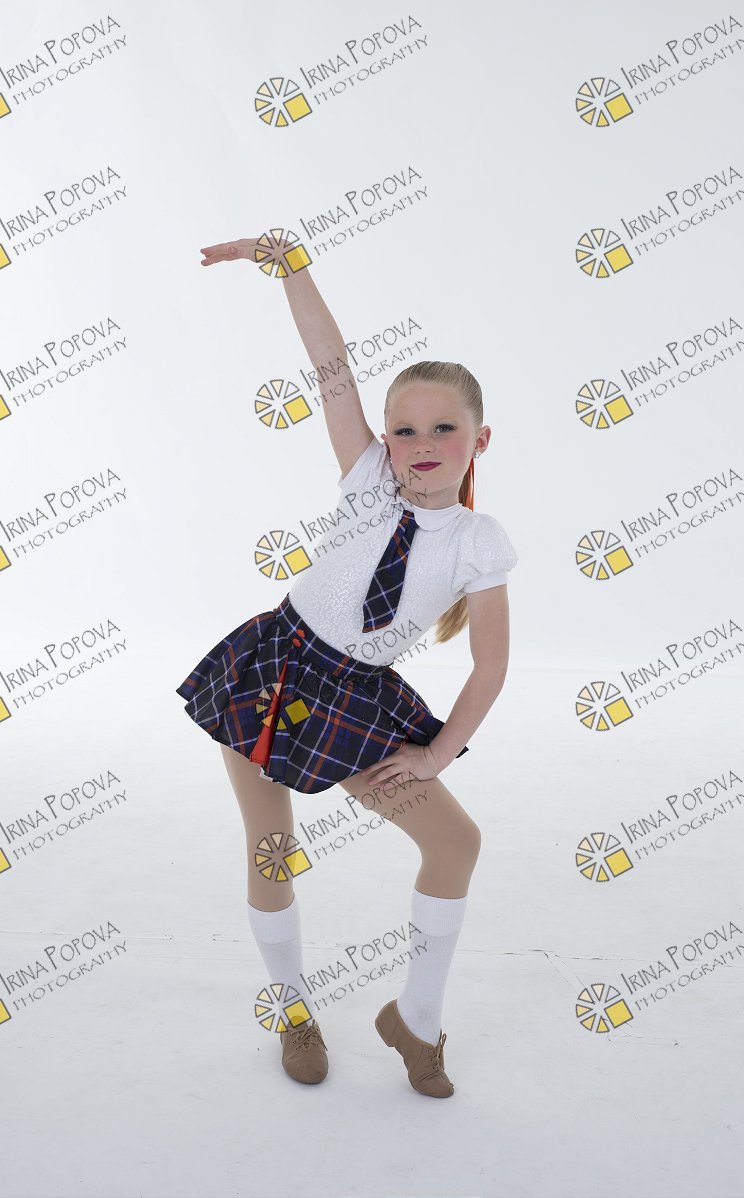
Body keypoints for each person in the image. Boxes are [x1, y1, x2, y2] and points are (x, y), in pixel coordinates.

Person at [175, 232, 519, 1098]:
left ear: (480, 440)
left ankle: (417, 1021)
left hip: (357, 702)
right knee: (273, 850)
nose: (421, 442)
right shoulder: (366, 477)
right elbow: (331, 368)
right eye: (405, 429)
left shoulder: (479, 542)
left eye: (444, 428)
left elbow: (489, 667)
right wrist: (292, 269)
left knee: (456, 841)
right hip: (274, 669)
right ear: (386, 440)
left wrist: (436, 756)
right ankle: (293, 1008)